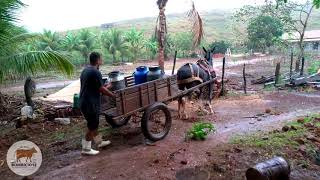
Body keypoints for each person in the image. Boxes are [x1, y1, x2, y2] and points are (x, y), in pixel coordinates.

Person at [80, 52, 115, 155]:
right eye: (101, 58)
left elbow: (95, 87)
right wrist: (112, 95)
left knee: (94, 124)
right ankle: (86, 149)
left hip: (84, 102)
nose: (102, 60)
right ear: (98, 60)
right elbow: (101, 89)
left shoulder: (86, 70)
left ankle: (99, 142)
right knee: (92, 126)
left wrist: (106, 87)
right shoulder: (95, 72)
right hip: (90, 103)